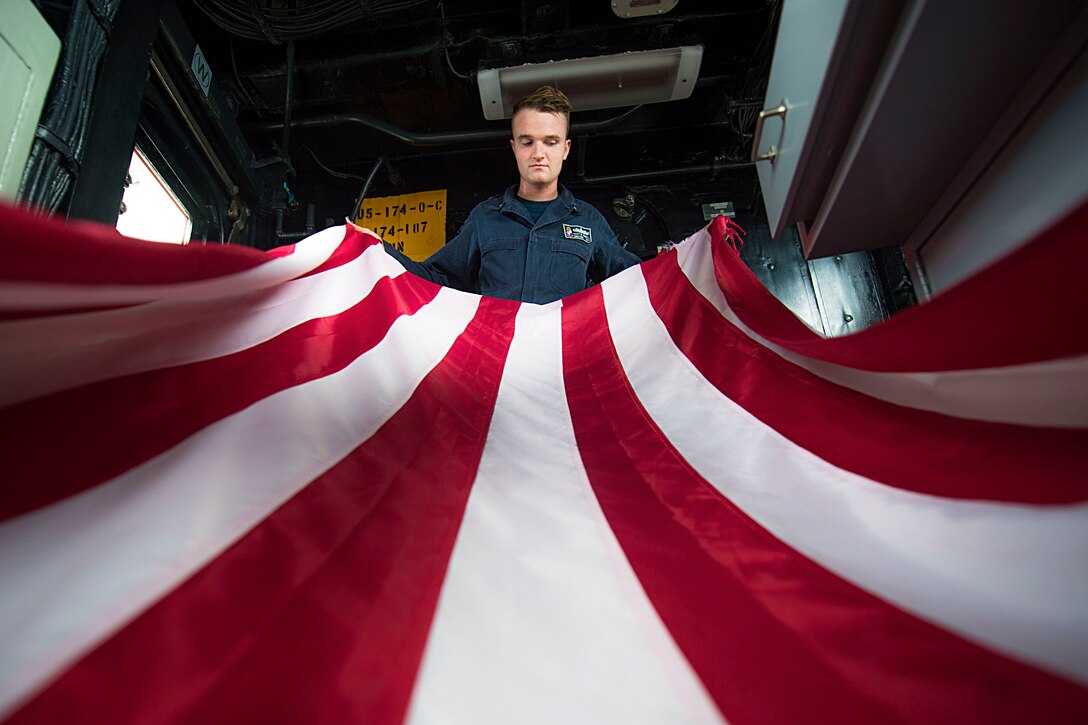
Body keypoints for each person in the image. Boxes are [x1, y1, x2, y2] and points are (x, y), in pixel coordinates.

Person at [373, 86, 641, 304]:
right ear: (514, 148)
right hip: (499, 363)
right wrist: (379, 251)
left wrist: (681, 262)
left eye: (551, 142)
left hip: (562, 364)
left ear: (566, 149)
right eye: (527, 142)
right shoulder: (485, 218)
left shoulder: (588, 220)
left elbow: (637, 283)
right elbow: (436, 277)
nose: (538, 153)